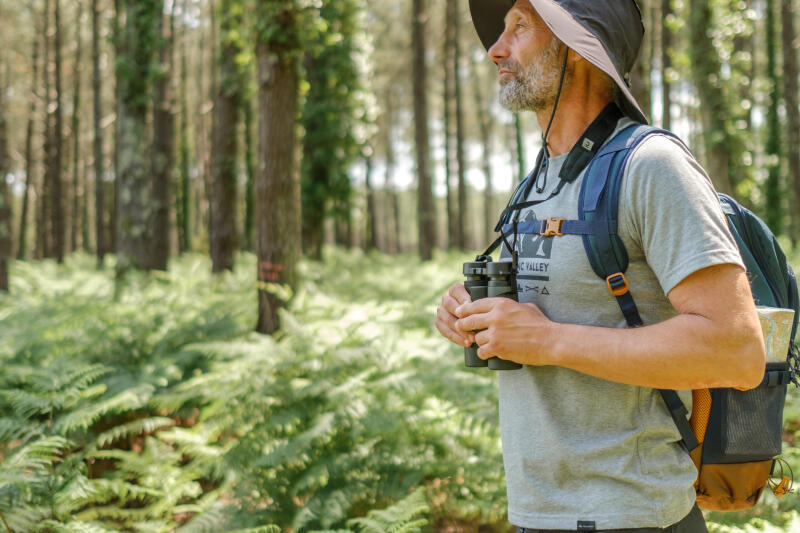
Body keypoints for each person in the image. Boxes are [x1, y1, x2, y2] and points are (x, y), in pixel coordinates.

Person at [434, 0, 767, 531]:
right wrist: (467, 313)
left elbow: (738, 350)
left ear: (578, 45)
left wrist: (547, 340)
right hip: (536, 512)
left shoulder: (652, 166)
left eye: (520, 26)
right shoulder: (539, 182)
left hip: (631, 514)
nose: (496, 48)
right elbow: (549, 311)